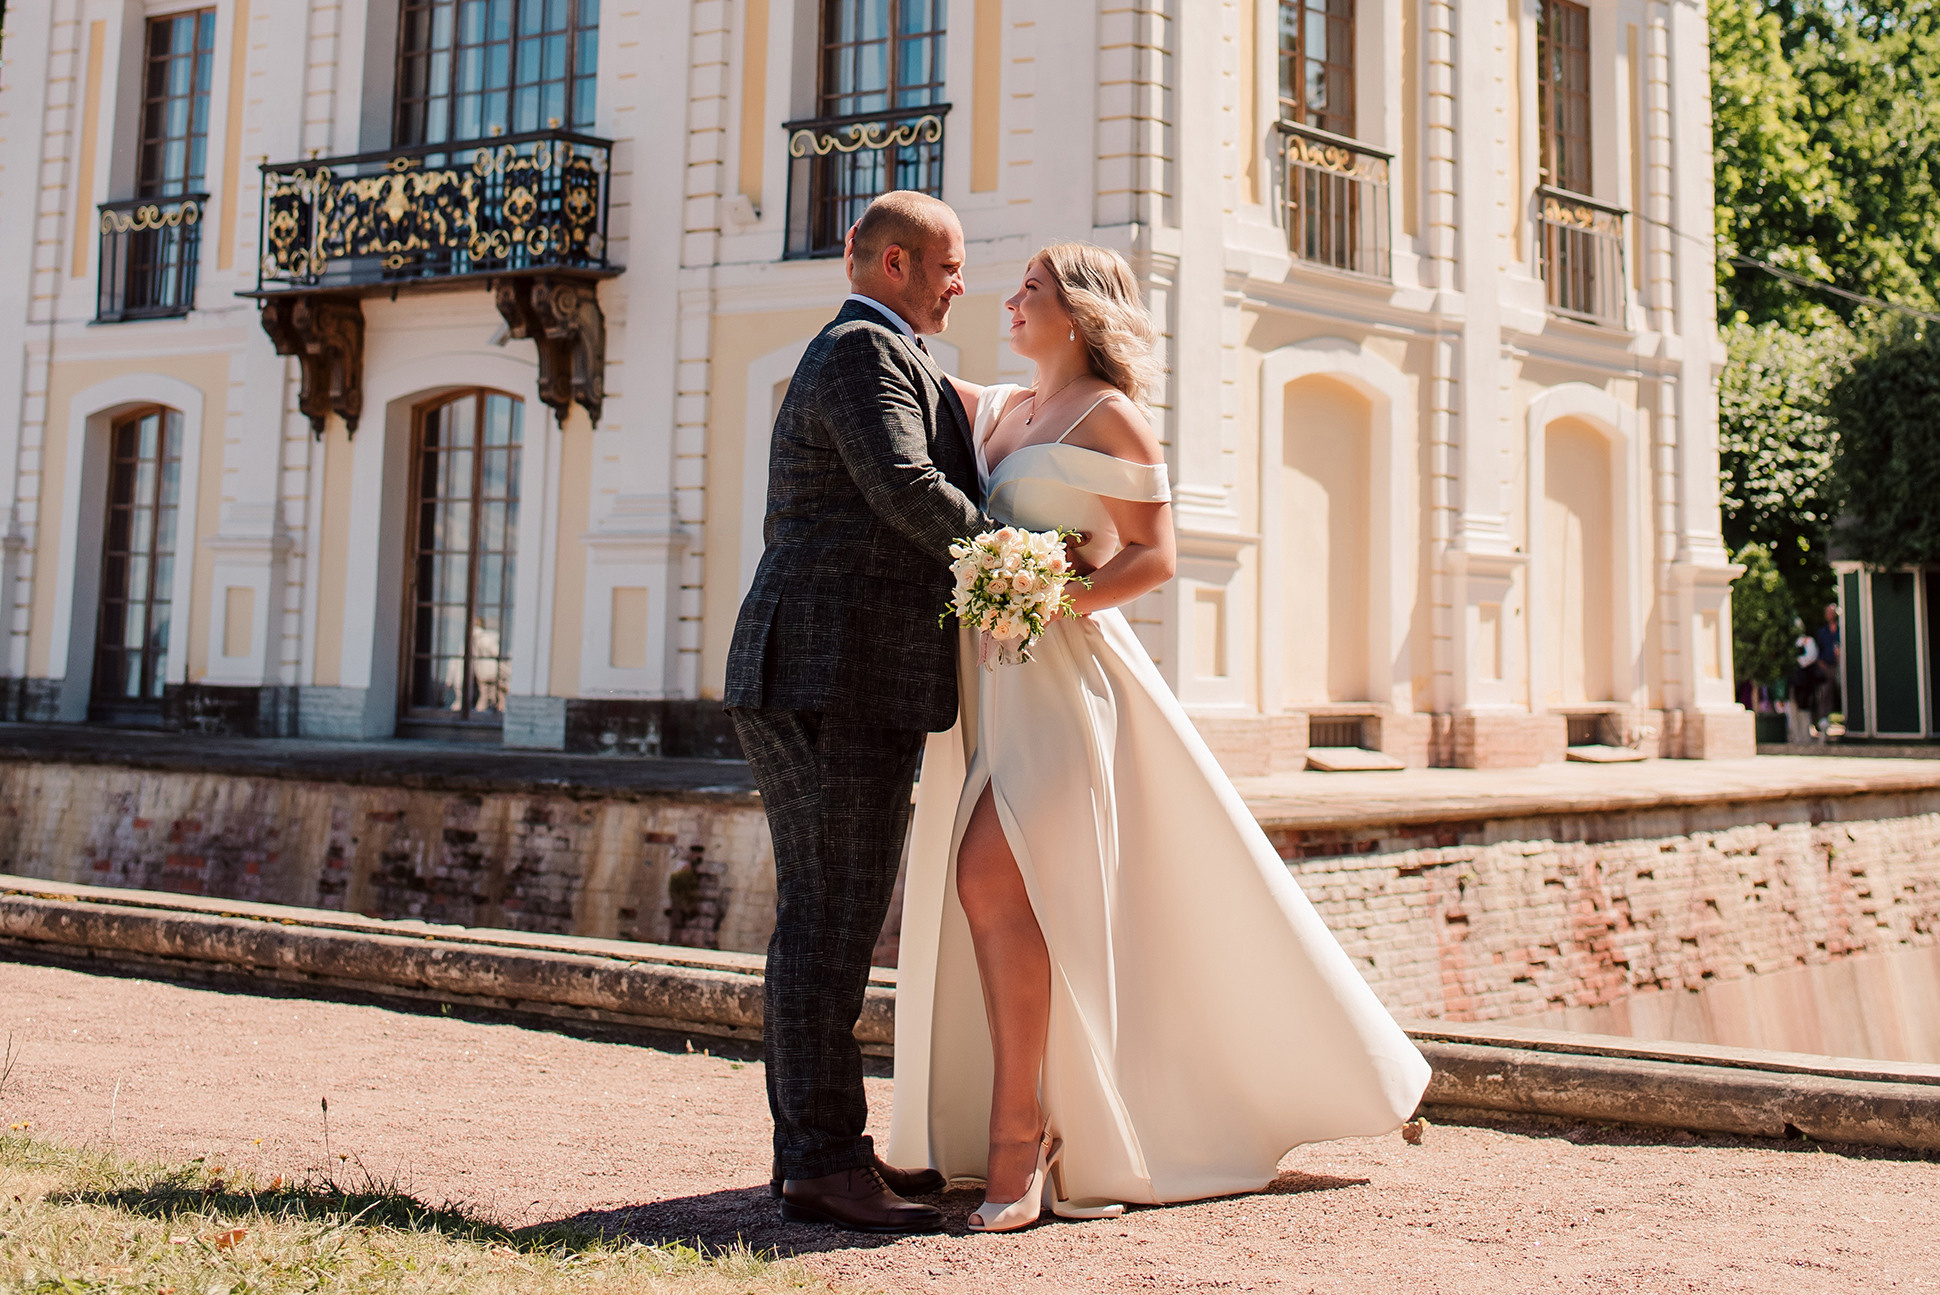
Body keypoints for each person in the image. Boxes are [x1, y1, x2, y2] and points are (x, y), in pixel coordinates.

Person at [888, 243, 1432, 1232]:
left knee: (989, 877)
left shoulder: (1111, 416)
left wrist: (1053, 597)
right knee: (997, 897)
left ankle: (1021, 1137)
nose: (1007, 300)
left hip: (1066, 686)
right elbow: (895, 369)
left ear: (1079, 314)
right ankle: (1028, 1126)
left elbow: (1152, 557)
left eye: (1030, 291)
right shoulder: (1001, 410)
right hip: (989, 691)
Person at [724, 190, 993, 1233]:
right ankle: (820, 1160)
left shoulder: (883, 354)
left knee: (829, 918)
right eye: (946, 264)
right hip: (825, 674)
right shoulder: (858, 355)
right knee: (826, 923)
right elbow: (903, 484)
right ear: (889, 264)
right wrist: (1015, 561)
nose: (957, 282)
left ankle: (828, 1143)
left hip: (838, 673)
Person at [1812, 602, 1842, 738]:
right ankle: (1823, 721)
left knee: (1842, 691)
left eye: (1831, 612)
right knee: (1825, 693)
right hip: (1826, 667)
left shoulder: (1842, 629)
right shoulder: (1822, 632)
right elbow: (1818, 649)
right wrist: (1821, 662)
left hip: (1840, 666)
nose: (1829, 615)